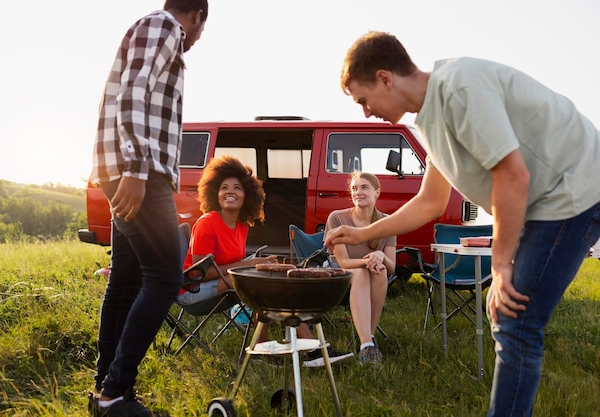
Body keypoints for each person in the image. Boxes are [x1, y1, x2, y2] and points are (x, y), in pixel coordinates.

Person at [325, 31, 600, 416]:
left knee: (515, 320)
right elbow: (430, 202)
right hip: (549, 201)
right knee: (507, 317)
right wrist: (363, 233)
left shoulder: (458, 88)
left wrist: (501, 266)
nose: (366, 112)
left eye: (364, 100)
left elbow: (512, 175)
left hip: (575, 189)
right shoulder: (433, 119)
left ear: (385, 78)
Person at [88, 1, 208, 416]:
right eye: (200, 30)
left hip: (120, 168)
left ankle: (107, 391)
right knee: (164, 277)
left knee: (124, 279)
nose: (196, 40)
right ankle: (115, 390)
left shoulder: (151, 29)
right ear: (196, 16)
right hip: (138, 172)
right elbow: (134, 95)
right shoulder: (165, 27)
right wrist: (137, 169)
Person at [179, 155, 353, 367]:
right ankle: (313, 350)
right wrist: (247, 265)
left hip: (219, 283)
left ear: (248, 195)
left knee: (272, 277)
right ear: (214, 192)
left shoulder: (241, 226)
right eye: (224, 187)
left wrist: (261, 263)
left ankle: (263, 349)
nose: (230, 191)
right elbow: (199, 274)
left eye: (238, 188)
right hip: (192, 290)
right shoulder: (207, 223)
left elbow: (233, 263)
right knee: (259, 284)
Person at [324, 172, 396, 367]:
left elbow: (392, 266)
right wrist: (368, 262)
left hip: (373, 274)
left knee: (379, 269)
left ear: (377, 192)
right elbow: (345, 263)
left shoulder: (386, 222)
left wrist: (380, 256)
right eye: (355, 188)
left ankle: (367, 342)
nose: (358, 192)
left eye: (364, 187)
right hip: (339, 275)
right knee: (363, 271)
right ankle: (367, 343)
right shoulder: (337, 218)